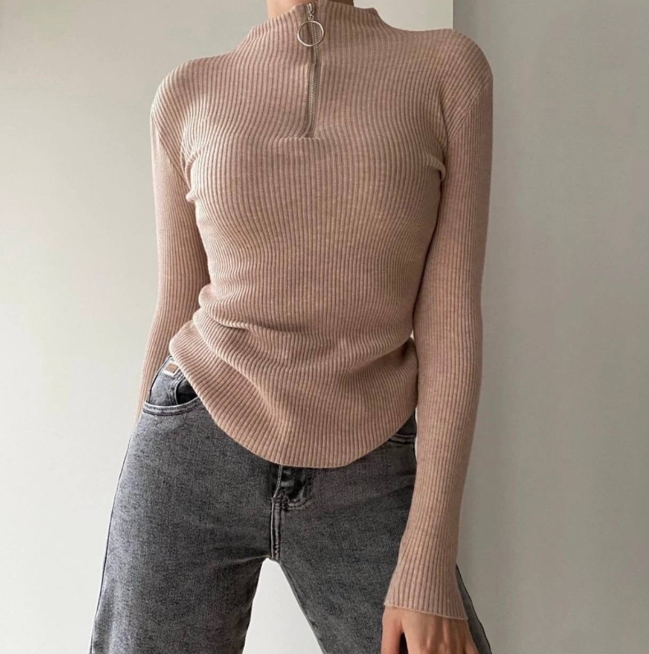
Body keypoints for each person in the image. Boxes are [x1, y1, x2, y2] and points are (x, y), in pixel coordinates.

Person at [88, 1, 494, 652]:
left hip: (368, 461)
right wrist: (135, 497)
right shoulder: (188, 92)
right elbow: (174, 307)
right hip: (191, 448)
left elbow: (450, 318)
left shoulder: (446, 69)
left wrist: (428, 560)